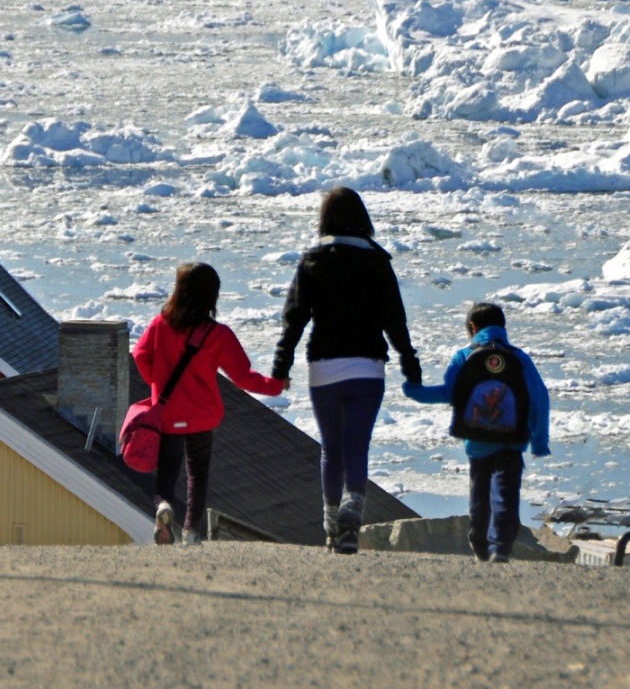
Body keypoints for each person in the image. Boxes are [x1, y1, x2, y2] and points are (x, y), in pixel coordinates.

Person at [271, 187, 420, 554]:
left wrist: (281, 366)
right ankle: (351, 514)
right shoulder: (377, 261)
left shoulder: (312, 261)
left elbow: (294, 319)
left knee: (331, 449)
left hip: (324, 368)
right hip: (367, 367)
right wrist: (409, 361)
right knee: (356, 446)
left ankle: (330, 526)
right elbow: (394, 319)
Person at [133, 262, 286, 546]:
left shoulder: (160, 325)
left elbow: (140, 355)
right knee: (197, 474)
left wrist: (157, 387)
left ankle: (163, 507)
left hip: (169, 414)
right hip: (201, 415)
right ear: (212, 295)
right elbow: (243, 376)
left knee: (167, 470)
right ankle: (191, 532)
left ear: (179, 290)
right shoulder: (218, 334)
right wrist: (275, 385)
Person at [402, 302, 550, 563]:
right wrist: (539, 441)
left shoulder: (463, 356)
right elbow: (539, 399)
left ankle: (479, 544)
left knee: (479, 495)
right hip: (512, 441)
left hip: (477, 441)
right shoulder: (519, 358)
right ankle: (501, 548)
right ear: (503, 327)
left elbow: (448, 393)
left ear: (472, 327)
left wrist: (415, 392)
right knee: (505, 495)